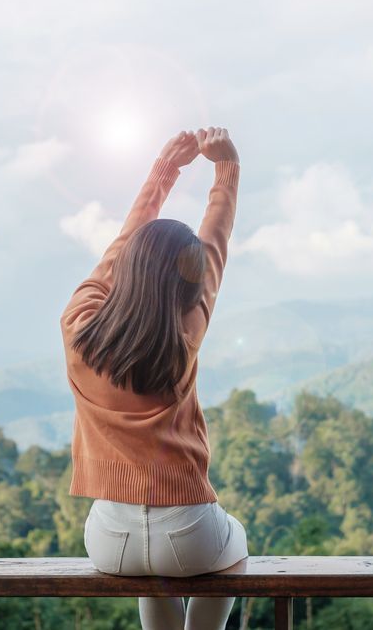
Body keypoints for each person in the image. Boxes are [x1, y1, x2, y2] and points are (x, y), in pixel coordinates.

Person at [60, 126, 248, 630]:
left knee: (153, 575)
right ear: (186, 284)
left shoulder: (77, 327)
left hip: (110, 539)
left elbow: (122, 246)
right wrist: (226, 170)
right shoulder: (185, 332)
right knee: (237, 547)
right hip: (189, 530)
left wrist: (165, 170)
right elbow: (214, 244)